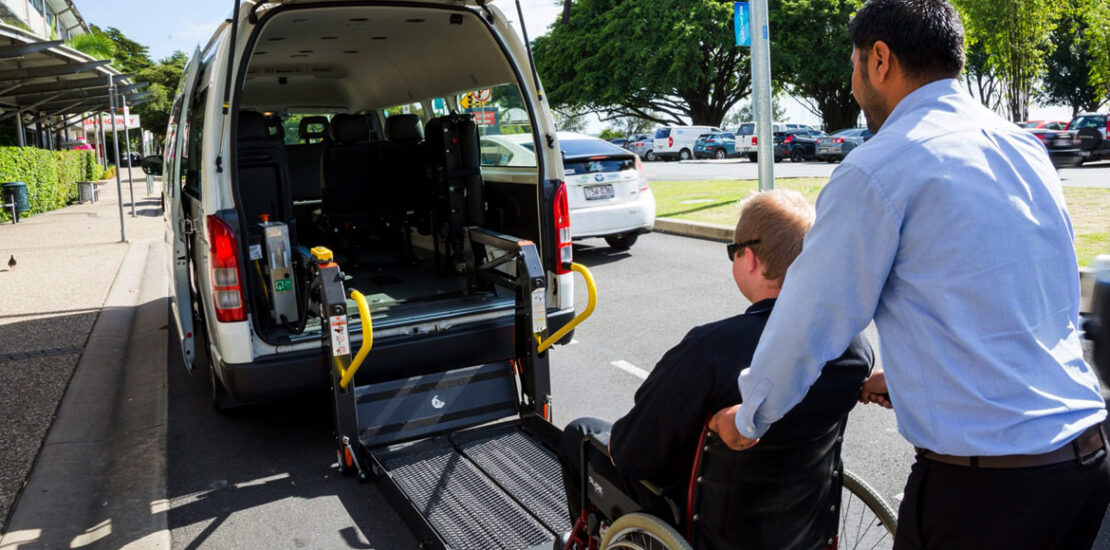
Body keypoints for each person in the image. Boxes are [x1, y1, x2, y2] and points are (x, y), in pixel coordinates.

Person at [709, 1, 1110, 548]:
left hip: (986, 492)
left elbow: (809, 319)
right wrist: (908, 381)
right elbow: (1023, 303)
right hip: (1084, 464)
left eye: (852, 66)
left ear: (879, 60)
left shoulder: (879, 168)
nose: (851, 85)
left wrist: (748, 418)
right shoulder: (1024, 148)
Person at [558, 190, 873, 549]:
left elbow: (631, 455)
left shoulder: (709, 350)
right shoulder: (851, 347)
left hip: (703, 526)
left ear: (750, 258)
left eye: (732, 252)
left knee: (580, 434)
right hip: (801, 527)